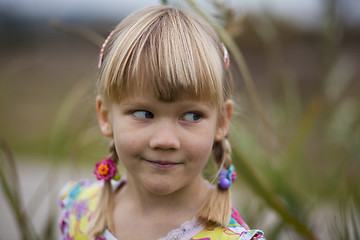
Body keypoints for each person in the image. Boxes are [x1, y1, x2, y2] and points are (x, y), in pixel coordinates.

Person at [58, 5, 265, 240]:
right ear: (105, 116)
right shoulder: (80, 210)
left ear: (221, 122)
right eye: (144, 114)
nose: (165, 141)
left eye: (191, 116)